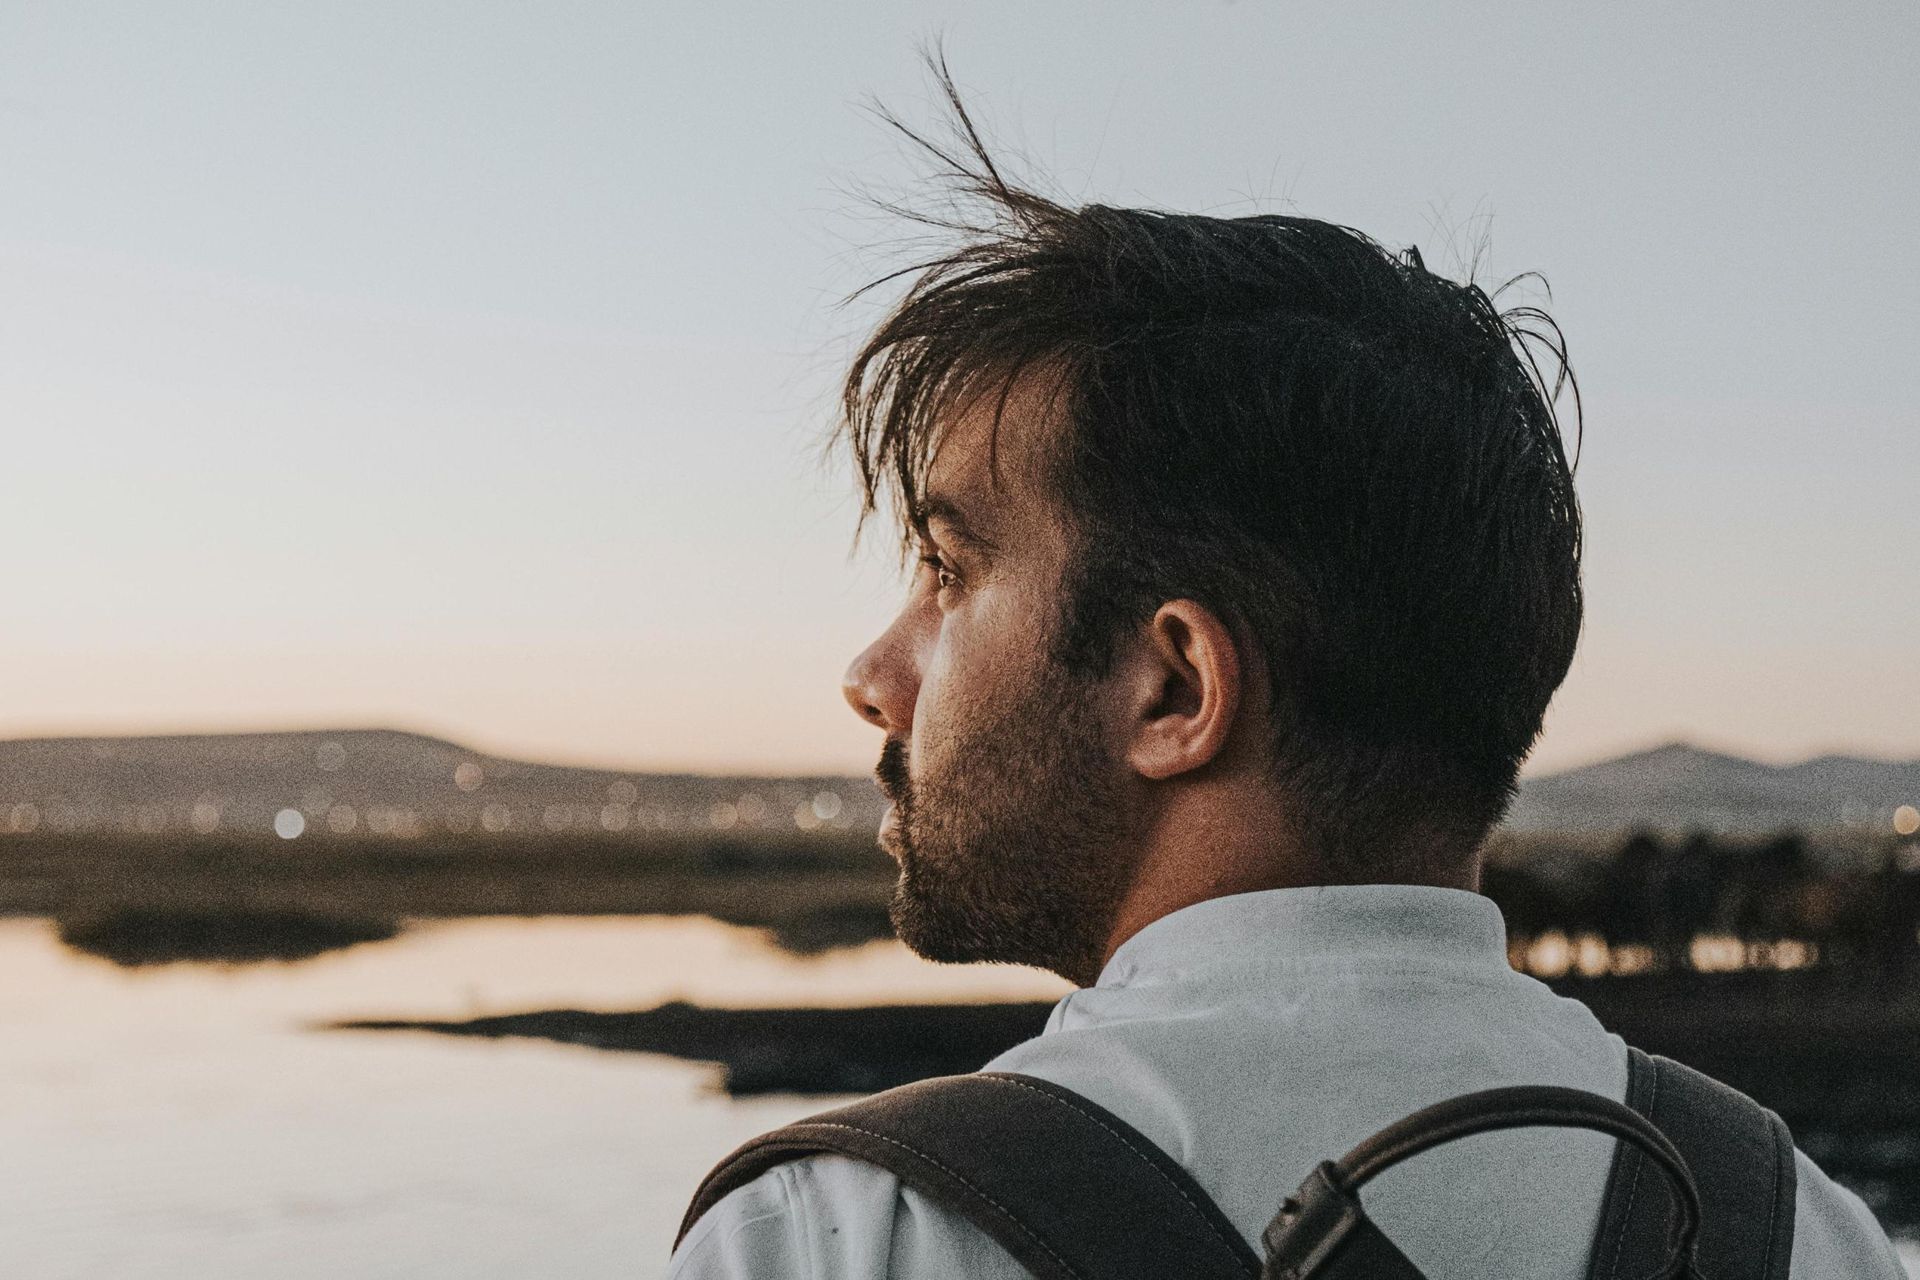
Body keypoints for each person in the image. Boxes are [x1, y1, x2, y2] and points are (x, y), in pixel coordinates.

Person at [666, 72, 1904, 1279]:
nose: (875, 674)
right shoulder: (1798, 1227)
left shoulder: (840, 1238)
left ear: (1176, 688)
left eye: (948, 568)